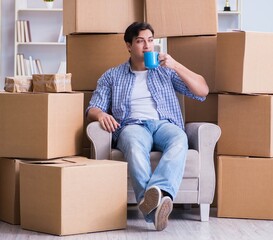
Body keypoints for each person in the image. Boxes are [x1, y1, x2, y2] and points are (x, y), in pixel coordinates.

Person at [86, 22, 209, 231]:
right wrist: (101, 114)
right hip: (132, 126)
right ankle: (156, 209)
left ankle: (156, 194)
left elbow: (202, 91)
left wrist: (175, 65)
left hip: (164, 124)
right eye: (140, 41)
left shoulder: (165, 72)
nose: (147, 46)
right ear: (128, 45)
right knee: (134, 146)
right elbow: (92, 108)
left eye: (150, 41)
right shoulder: (112, 76)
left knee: (180, 139)